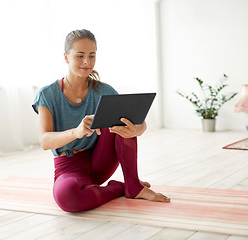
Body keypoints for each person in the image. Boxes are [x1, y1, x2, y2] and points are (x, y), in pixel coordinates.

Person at [32, 29, 170, 212]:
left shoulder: (105, 91)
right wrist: (76, 131)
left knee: (122, 121)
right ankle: (122, 187)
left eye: (92, 55)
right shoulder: (47, 94)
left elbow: (139, 123)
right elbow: (44, 141)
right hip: (69, 167)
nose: (86, 62)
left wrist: (135, 130)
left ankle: (133, 185)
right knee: (68, 199)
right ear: (66, 57)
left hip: (100, 161)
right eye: (80, 56)